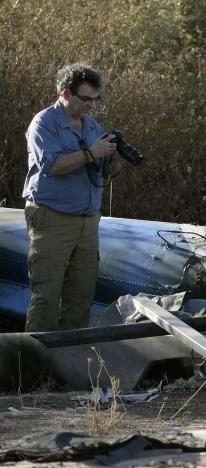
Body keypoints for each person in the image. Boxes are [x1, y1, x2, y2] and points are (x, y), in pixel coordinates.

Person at [21, 63, 125, 331]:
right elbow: (53, 166)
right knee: (47, 294)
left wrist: (114, 161)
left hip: (88, 221)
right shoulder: (44, 123)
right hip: (52, 217)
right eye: (86, 99)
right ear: (66, 94)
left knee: (81, 295)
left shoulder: (92, 126)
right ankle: (33, 366)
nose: (92, 105)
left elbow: (103, 173)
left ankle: (70, 362)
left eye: (96, 99)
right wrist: (92, 152)